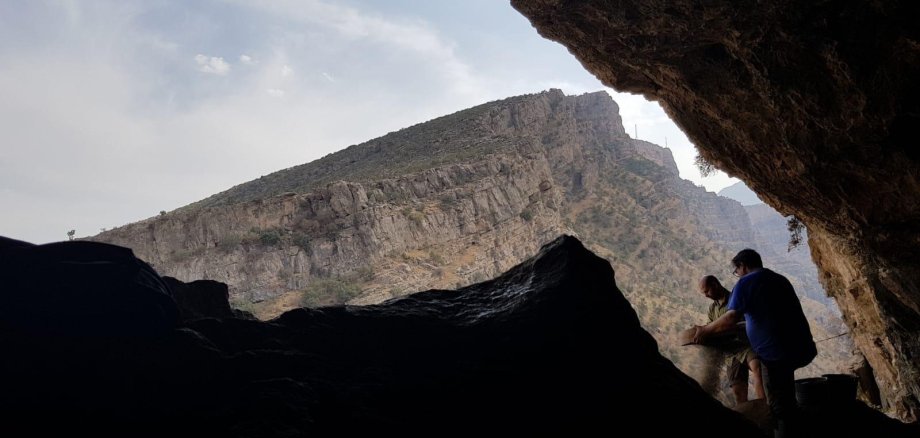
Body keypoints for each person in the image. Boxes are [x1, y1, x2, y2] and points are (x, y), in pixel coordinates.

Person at [694, 249, 817, 438]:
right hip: (799, 346)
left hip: (774, 353)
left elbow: (730, 319)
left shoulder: (745, 283)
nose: (737, 274)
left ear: (743, 266)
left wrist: (705, 331)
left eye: (736, 270)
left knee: (778, 406)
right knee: (786, 396)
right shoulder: (779, 279)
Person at [697, 275, 765, 405]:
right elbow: (711, 328)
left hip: (745, 345)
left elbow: (747, 322)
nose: (705, 295)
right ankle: (747, 417)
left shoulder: (735, 299)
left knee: (757, 368)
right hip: (730, 352)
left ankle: (764, 407)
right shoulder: (712, 309)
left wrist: (730, 327)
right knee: (738, 392)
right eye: (703, 292)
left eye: (707, 291)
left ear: (715, 285)